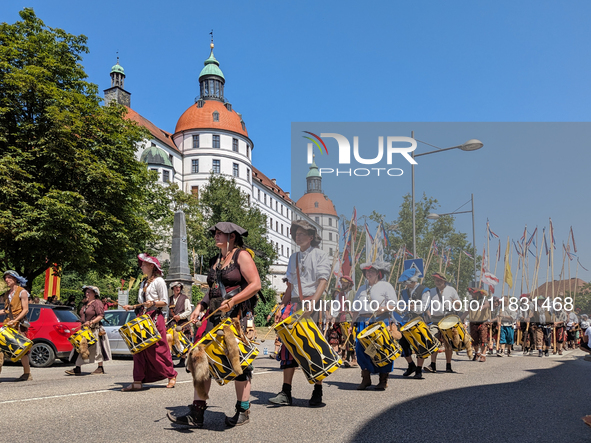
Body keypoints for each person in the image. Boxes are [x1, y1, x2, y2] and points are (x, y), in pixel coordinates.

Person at [168, 222, 261, 428]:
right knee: (200, 359)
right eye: (216, 233)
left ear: (232, 237)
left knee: (240, 364)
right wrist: (199, 307)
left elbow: (256, 284)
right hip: (214, 315)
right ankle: (197, 412)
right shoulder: (216, 260)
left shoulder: (241, 256)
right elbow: (212, 290)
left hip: (236, 316)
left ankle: (243, 410)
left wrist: (234, 301)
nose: (216, 236)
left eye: (221, 234)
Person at [268, 220, 330, 407]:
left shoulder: (320, 255)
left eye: (302, 233)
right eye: (296, 233)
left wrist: (313, 301)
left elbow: (323, 281)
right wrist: (281, 307)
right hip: (294, 306)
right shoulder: (293, 257)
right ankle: (286, 392)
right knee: (288, 348)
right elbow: (291, 287)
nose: (298, 236)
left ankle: (317, 391)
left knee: (313, 348)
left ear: (311, 237)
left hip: (313, 303)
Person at [122, 254, 177, 391]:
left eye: (144, 264)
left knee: (159, 348)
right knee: (138, 348)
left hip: (154, 317)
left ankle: (171, 375)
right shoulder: (143, 283)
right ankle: (138, 380)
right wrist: (132, 307)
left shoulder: (159, 281)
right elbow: (142, 303)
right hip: (143, 317)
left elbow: (164, 301)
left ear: (152, 266)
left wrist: (152, 302)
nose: (141, 267)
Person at [352, 261, 398, 390]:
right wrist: (352, 323)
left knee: (381, 349)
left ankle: (383, 380)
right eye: (367, 271)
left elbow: (393, 304)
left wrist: (382, 309)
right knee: (361, 350)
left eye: (371, 271)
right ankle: (366, 378)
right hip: (362, 322)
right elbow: (356, 308)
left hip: (379, 322)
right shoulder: (362, 288)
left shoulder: (386, 286)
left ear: (378, 273)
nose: (368, 273)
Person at [65, 286, 112, 375]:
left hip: (95, 329)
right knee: (80, 347)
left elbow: (100, 316)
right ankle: (77, 367)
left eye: (89, 292)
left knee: (98, 349)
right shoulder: (86, 304)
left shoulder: (97, 303)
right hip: (85, 330)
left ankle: (100, 367)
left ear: (95, 294)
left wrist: (91, 322)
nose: (87, 294)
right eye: (86, 292)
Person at [396, 268, 431, 378]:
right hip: (406, 321)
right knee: (403, 344)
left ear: (412, 281)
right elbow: (401, 307)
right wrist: (403, 308)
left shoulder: (424, 290)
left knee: (420, 344)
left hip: (419, 320)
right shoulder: (404, 292)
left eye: (406, 282)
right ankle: (411, 365)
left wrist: (413, 307)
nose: (405, 284)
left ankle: (419, 370)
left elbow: (425, 306)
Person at [426, 272, 463, 373]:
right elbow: (426, 305)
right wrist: (428, 313)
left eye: (439, 280)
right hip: (435, 319)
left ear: (444, 281)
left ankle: (448, 365)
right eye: (435, 280)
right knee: (433, 340)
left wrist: (456, 303)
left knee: (448, 343)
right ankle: (432, 365)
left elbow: (459, 305)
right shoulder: (431, 291)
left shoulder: (451, 290)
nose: (437, 282)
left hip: (447, 319)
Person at [0, 270, 32, 381]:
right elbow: (6, 311)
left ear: (15, 279)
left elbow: (25, 310)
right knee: (1, 348)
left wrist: (15, 320)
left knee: (22, 350)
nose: (6, 280)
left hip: (19, 324)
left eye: (9, 277)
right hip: (8, 324)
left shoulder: (22, 292)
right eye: (5, 278)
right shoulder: (7, 294)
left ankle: (27, 373)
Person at [168, 281, 193, 368]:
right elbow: (168, 311)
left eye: (179, 287)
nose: (178, 289)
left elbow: (189, 310)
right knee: (173, 342)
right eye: (176, 287)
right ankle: (171, 360)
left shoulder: (185, 298)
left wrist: (180, 316)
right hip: (172, 323)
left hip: (182, 323)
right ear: (173, 288)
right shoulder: (170, 299)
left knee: (184, 342)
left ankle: (184, 360)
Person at [467, 288, 490, 362]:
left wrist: (482, 307)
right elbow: (467, 311)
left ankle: (483, 355)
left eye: (473, 293)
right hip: (473, 322)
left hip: (482, 322)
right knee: (474, 340)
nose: (471, 294)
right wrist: (461, 318)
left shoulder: (484, 300)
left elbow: (487, 305)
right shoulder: (471, 301)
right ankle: (477, 352)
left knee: (483, 339)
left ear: (479, 294)